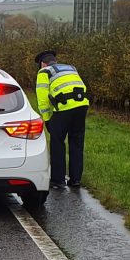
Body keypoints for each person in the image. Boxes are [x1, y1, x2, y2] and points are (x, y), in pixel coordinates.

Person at [35, 50, 90, 188]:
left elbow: (42, 99)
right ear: (56, 61)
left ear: (42, 63)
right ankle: (75, 180)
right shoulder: (71, 68)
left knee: (57, 142)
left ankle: (58, 180)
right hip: (81, 106)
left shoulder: (44, 72)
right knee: (76, 142)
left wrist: (47, 119)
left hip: (63, 108)